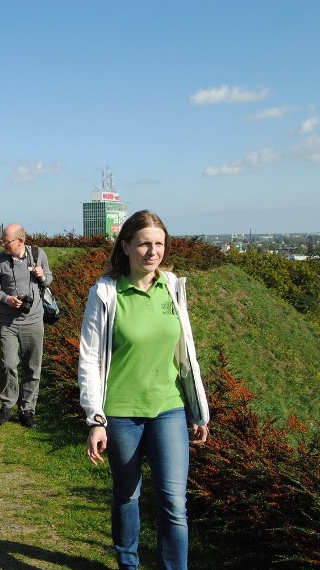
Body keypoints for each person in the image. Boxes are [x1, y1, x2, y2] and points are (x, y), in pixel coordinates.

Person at [77, 210, 210, 569]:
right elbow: (89, 358)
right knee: (127, 495)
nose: (153, 251)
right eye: (144, 244)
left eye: (159, 244)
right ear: (126, 246)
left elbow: (186, 353)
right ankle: (128, 563)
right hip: (121, 413)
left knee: (174, 504)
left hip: (169, 407)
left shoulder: (173, 286)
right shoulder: (105, 293)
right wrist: (96, 419)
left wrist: (197, 410)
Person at [0, 223, 52, 428]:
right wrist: (6, 299)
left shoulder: (38, 254)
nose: (2, 244)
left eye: (7, 241)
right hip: (8, 322)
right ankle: (7, 404)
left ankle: (27, 409)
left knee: (32, 366)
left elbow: (49, 280)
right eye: (3, 240)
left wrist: (42, 276)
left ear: (20, 241)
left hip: (34, 321)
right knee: (7, 364)